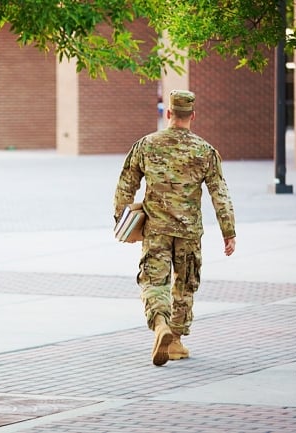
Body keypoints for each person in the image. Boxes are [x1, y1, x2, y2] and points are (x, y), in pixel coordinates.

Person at [113, 90, 236, 367]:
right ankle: (176, 341)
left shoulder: (146, 145)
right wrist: (229, 232)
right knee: (184, 284)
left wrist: (122, 223)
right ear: (192, 116)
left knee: (154, 282)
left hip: (156, 229)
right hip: (189, 232)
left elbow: (125, 186)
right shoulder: (205, 150)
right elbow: (220, 194)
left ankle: (160, 326)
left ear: (168, 113)